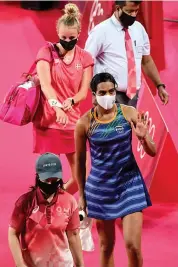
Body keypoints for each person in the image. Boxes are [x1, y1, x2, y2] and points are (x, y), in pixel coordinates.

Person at [75, 72, 157, 267]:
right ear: (93, 95)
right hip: (100, 189)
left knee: (133, 246)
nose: (108, 96)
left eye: (111, 91)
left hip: (130, 184)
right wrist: (81, 195)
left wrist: (144, 137)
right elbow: (79, 161)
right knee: (106, 246)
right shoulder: (84, 123)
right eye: (102, 92)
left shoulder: (128, 112)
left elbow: (152, 151)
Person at [33, 3, 94, 194]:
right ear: (57, 33)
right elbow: (45, 84)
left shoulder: (85, 58)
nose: (67, 41)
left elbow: (84, 92)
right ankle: (47, 213)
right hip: (49, 122)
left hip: (72, 123)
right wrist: (57, 107)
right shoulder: (46, 53)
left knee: (80, 177)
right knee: (48, 177)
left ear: (79, 34)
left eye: (72, 38)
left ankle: (59, 201)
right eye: (63, 37)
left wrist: (72, 101)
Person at [85, 1, 169, 107]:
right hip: (108, 96)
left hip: (133, 96)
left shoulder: (139, 29)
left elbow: (146, 61)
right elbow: (85, 63)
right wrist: (93, 92)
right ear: (117, 8)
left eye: (136, 11)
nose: (133, 15)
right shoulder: (100, 31)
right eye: (129, 11)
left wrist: (159, 85)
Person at [8, 152, 84, 267]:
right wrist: (20, 264)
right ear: (38, 176)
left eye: (54, 179)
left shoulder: (69, 201)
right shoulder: (25, 202)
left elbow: (73, 235)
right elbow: (13, 233)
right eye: (47, 179)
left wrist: (80, 265)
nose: (50, 183)